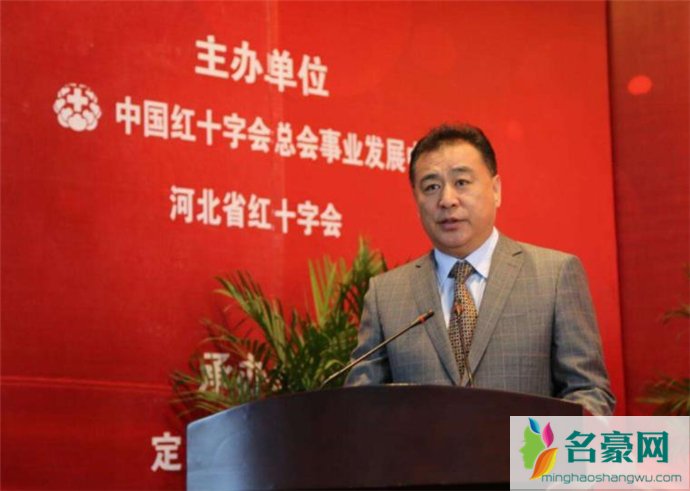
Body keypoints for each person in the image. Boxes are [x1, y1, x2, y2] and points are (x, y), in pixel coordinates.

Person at [345, 124, 615, 416]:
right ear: (416, 201)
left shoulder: (555, 276)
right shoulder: (386, 295)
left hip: (526, 446)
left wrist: (530, 444)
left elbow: (589, 392)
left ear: (496, 190)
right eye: (431, 187)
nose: (447, 200)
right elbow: (359, 408)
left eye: (461, 182)